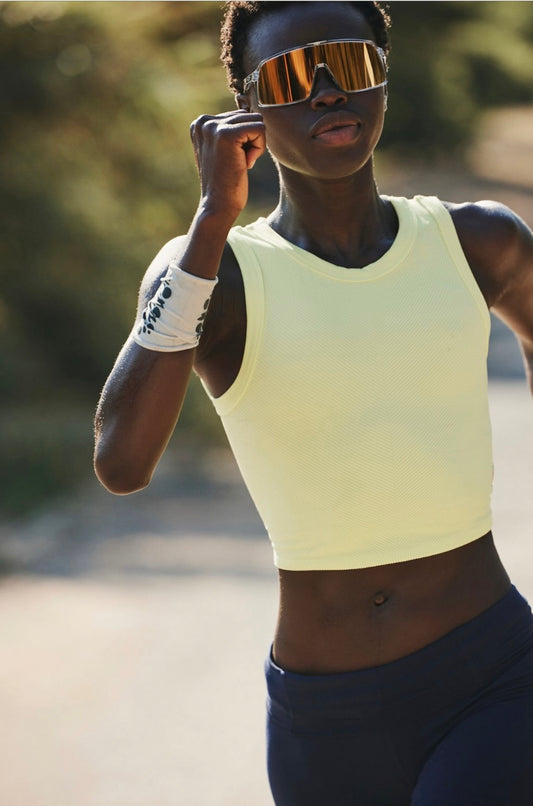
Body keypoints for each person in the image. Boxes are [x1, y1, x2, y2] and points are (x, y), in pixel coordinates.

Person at [94, 2, 533, 803]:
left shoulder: (476, 242)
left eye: (351, 64)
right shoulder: (214, 274)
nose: (329, 91)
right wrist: (209, 221)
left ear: (383, 79)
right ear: (248, 106)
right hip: (325, 718)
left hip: (494, 676)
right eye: (295, 75)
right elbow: (121, 462)